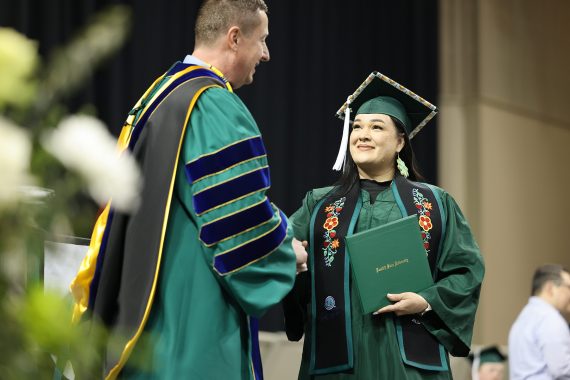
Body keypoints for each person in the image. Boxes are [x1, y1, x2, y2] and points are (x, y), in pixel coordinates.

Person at [69, 0, 307, 379]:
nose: (266, 53)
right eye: (261, 40)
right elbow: (236, 223)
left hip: (147, 318)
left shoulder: (159, 94)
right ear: (234, 38)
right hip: (191, 321)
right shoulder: (212, 103)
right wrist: (285, 251)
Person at [282, 71, 485, 379]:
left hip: (408, 362)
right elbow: (284, 254)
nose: (362, 135)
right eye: (357, 127)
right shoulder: (319, 205)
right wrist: (293, 264)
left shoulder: (434, 203)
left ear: (400, 141)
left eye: (376, 127)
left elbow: (466, 271)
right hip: (337, 362)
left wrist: (426, 300)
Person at [508, 264, 570, 380]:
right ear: (550, 288)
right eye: (568, 287)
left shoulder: (524, 317)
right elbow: (562, 370)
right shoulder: (550, 318)